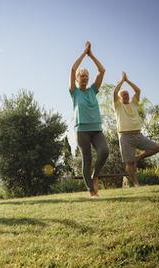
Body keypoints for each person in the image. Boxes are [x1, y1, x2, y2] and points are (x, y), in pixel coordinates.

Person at [69, 41, 109, 197]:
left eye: (86, 75)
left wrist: (90, 55)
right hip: (82, 130)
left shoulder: (93, 90)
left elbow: (102, 70)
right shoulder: (74, 92)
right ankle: (91, 191)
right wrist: (83, 53)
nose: (84, 77)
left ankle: (96, 175)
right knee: (87, 159)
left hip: (96, 128)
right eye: (82, 76)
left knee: (104, 151)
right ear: (78, 79)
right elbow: (72, 69)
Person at [113, 72, 159, 186]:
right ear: (119, 98)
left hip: (138, 135)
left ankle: (138, 157)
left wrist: (127, 81)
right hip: (125, 137)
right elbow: (114, 92)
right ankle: (136, 183)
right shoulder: (118, 106)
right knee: (129, 163)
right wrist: (121, 81)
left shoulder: (134, 103)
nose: (126, 96)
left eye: (127, 94)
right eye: (124, 95)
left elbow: (138, 91)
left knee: (156, 148)